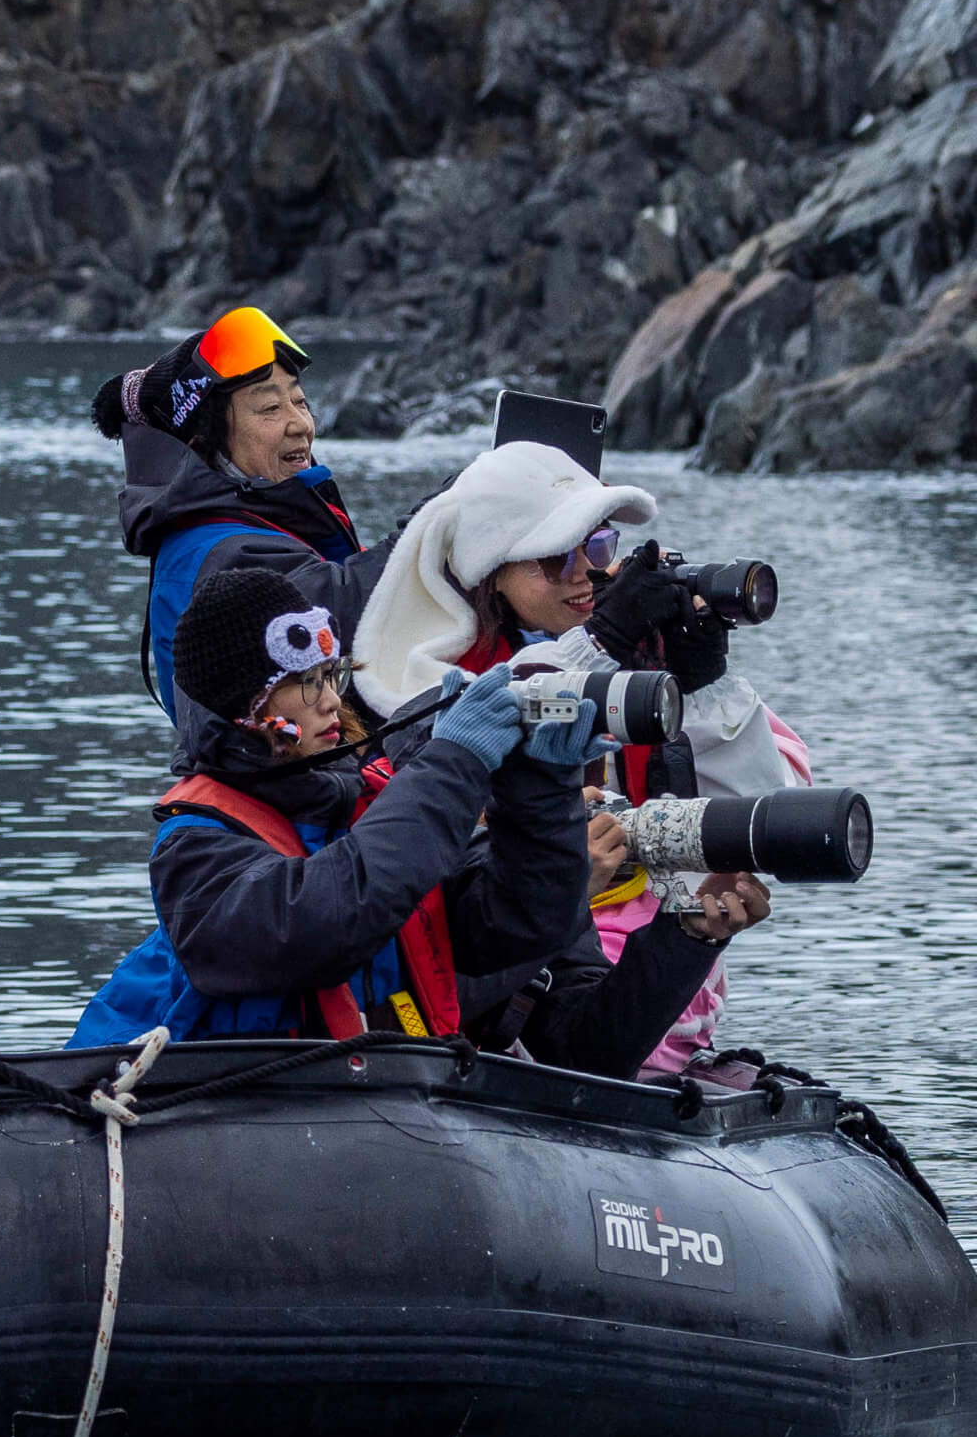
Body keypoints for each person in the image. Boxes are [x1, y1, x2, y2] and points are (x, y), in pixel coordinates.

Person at [350, 438, 790, 1074]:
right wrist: (598, 645)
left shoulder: (621, 664)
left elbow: (750, 820)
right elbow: (490, 718)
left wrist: (702, 681)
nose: (587, 572)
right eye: (556, 557)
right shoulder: (413, 683)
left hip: (625, 990)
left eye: (601, 546)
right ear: (489, 567)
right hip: (497, 999)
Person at [70, 569, 591, 1048]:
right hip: (206, 1108)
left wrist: (542, 788)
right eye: (306, 682)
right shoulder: (196, 847)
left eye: (331, 677)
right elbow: (321, 922)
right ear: (243, 708)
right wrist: (454, 762)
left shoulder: (367, 805)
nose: (331, 703)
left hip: (363, 1103)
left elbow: (521, 924)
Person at [91, 310, 362, 719]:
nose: (300, 424)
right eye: (270, 408)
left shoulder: (266, 524)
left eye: (300, 401)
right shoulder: (219, 553)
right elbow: (350, 605)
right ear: (206, 442)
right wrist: (454, 515)